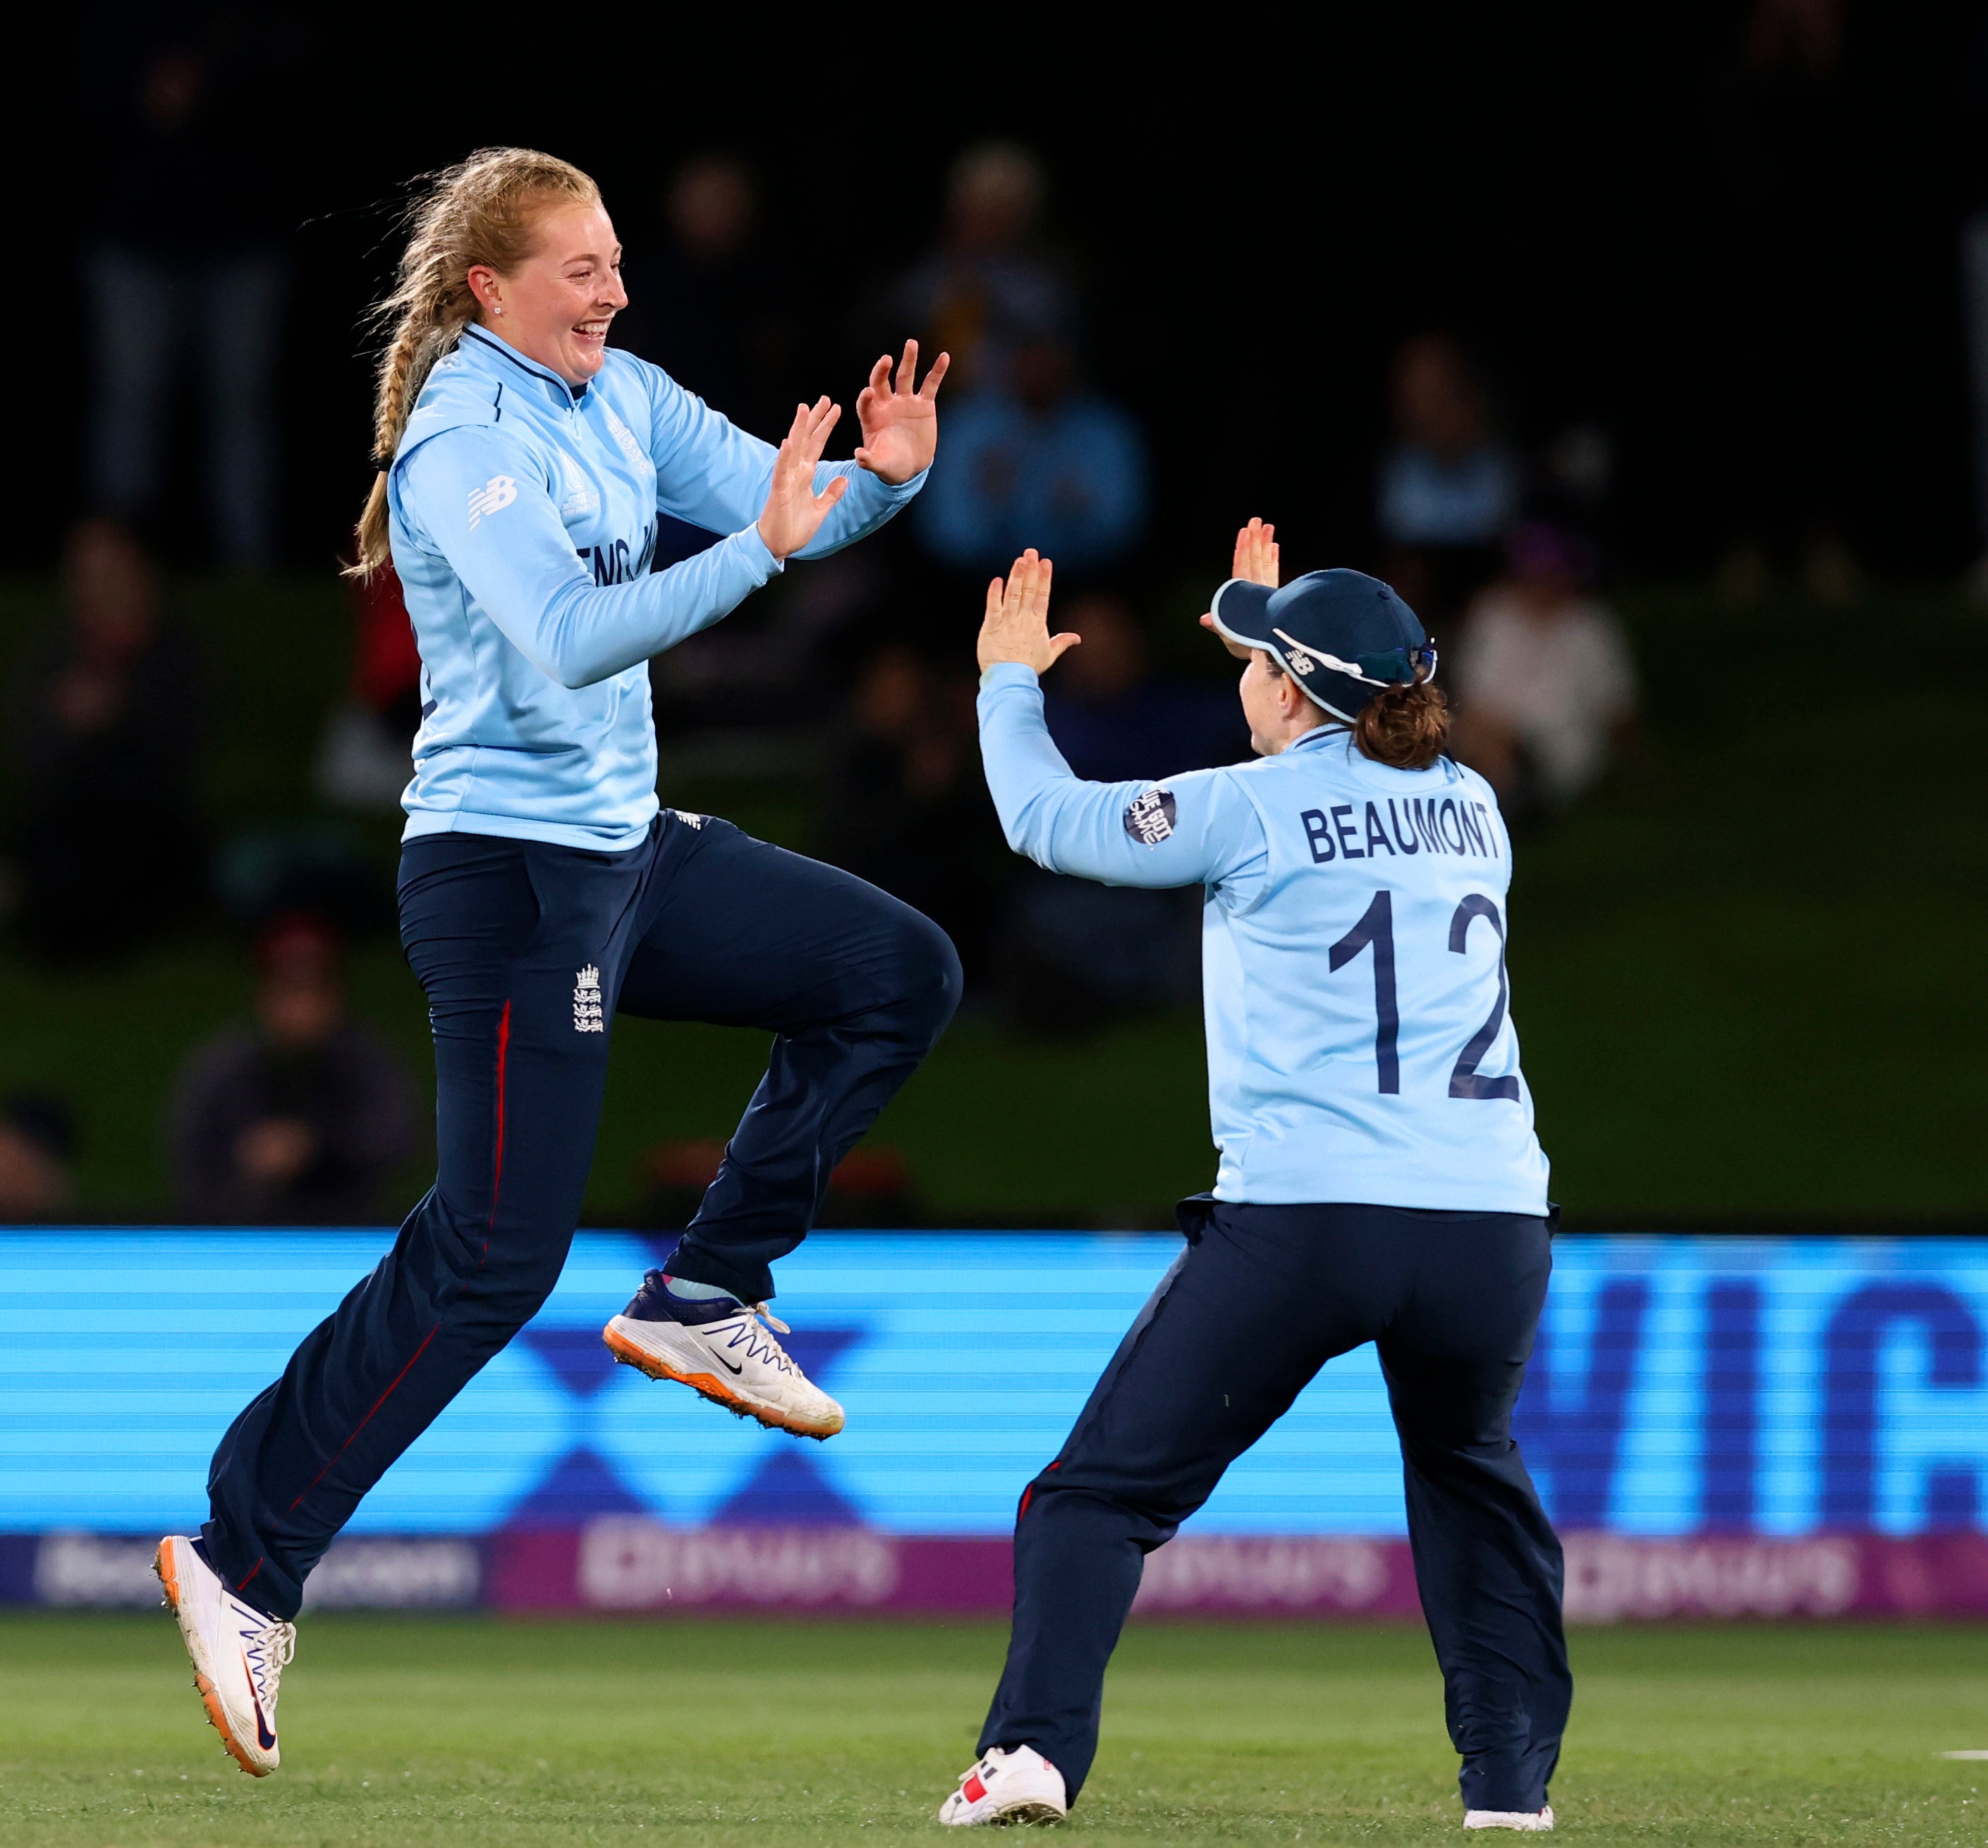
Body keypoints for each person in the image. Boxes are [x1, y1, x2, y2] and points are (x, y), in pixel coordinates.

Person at [153, 147, 958, 1778]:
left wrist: (881, 480)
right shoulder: (464, 437)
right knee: (495, 1253)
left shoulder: (620, 393)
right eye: (582, 268)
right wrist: (774, 554)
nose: (614, 289)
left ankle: (710, 1287)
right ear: (488, 293)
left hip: (623, 854)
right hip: (506, 879)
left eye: (613, 261)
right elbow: (575, 633)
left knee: (897, 968)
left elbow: (770, 497)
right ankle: (245, 1559)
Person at [939, 528, 1566, 1831]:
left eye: (1258, 661)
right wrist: (1277, 645)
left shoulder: (1247, 802)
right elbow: (1360, 739)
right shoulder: (1475, 807)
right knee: (1468, 1481)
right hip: (1491, 1224)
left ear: (1286, 691)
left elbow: (1044, 822)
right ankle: (1507, 1793)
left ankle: (1029, 1755)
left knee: (1093, 1498)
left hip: (1313, 1215)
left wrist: (1007, 680)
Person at [8, 519, 205, 960]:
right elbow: (29, 755)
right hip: (65, 816)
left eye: (111, 570)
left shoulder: (171, 650)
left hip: (146, 819)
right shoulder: (56, 655)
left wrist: (119, 710)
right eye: (86, 573)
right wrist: (67, 722)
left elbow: (180, 750)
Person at [171, 917, 417, 1225]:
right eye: (288, 990)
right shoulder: (224, 1069)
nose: (300, 1007)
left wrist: (315, 1147)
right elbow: (190, 1156)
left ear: (336, 996)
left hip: (346, 1232)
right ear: (264, 995)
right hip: (242, 1234)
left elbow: (396, 1142)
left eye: (313, 991)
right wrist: (248, 1162)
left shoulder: (368, 1064)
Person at [1450, 522, 1639, 821]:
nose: (1542, 584)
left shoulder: (1592, 628)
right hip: (1488, 737)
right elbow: (1472, 691)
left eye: (1552, 573)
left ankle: (1501, 808)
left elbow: (1616, 708)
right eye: (1533, 574)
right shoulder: (1494, 614)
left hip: (1556, 749)